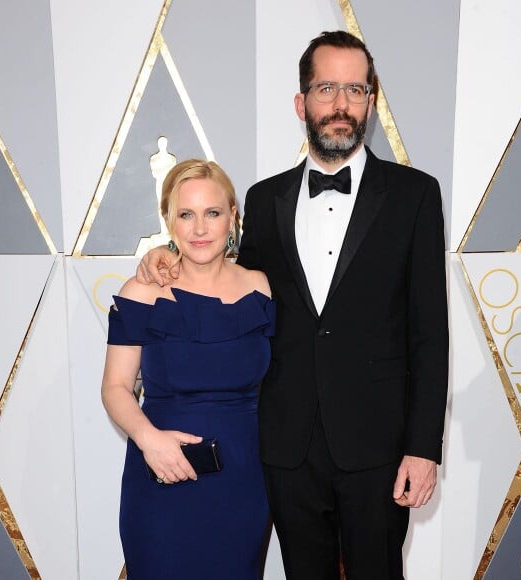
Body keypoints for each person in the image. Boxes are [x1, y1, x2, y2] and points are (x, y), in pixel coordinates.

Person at [137, 31, 449, 579]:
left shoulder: (415, 195)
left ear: (370, 103)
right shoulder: (262, 200)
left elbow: (430, 334)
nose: (341, 104)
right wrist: (164, 255)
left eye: (355, 89)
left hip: (377, 447)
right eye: (326, 88)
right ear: (302, 102)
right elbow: (227, 279)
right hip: (284, 446)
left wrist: (424, 449)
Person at [102, 159, 275, 579]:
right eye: (186, 214)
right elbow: (116, 387)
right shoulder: (142, 290)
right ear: (169, 220)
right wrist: (148, 439)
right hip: (163, 475)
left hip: (244, 482)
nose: (200, 229)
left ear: (233, 216)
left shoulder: (259, 286)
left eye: (212, 213)